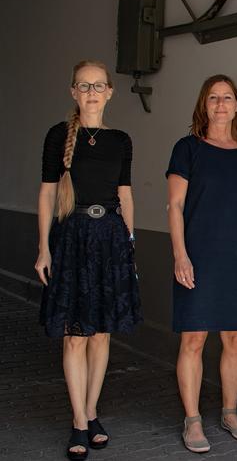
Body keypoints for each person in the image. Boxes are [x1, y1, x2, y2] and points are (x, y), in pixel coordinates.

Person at [34, 60, 142, 460]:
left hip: (111, 238)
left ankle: (93, 410)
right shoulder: (57, 136)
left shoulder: (121, 140)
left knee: (101, 333)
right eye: (84, 85)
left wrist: (129, 246)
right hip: (71, 237)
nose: (92, 92)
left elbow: (126, 195)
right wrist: (44, 248)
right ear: (73, 92)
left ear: (110, 91)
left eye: (99, 86)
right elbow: (47, 194)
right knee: (75, 335)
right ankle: (78, 420)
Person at [166, 74, 237, 453]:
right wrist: (180, 254)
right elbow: (175, 205)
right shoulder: (187, 149)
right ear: (203, 103)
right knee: (193, 338)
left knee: (235, 337)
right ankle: (192, 420)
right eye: (213, 97)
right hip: (197, 257)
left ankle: (229, 412)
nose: (221, 104)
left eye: (227, 97)